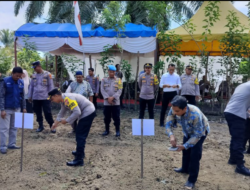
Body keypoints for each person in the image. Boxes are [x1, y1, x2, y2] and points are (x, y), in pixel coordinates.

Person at [166, 95, 209, 189]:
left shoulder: (195, 114)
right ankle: (184, 169)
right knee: (185, 151)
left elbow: (197, 135)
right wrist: (171, 135)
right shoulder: (174, 108)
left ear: (184, 108)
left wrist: (185, 145)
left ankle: (191, 180)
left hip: (200, 132)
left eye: (177, 111)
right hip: (187, 131)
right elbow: (168, 123)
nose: (174, 112)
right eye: (173, 110)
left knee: (194, 155)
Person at [49, 88, 96, 167]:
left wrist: (67, 121)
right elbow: (62, 112)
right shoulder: (63, 99)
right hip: (86, 112)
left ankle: (79, 160)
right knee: (79, 134)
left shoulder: (67, 98)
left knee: (80, 135)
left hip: (88, 112)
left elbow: (77, 112)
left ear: (56, 95)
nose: (52, 101)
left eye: (52, 99)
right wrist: (55, 123)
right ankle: (80, 152)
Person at [224, 81, 250, 176]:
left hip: (229, 111)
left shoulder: (242, 85)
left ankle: (233, 159)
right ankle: (240, 165)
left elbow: (241, 101)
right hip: (237, 114)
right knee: (239, 139)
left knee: (235, 137)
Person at [0, 67, 27, 154]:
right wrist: (2, 109)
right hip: (6, 109)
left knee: (14, 127)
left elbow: (22, 96)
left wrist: (24, 107)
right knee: (4, 128)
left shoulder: (21, 82)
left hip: (17, 108)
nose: (18, 77)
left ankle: (12, 144)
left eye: (20, 76)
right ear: (12, 73)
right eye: (16, 75)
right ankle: (2, 146)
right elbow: (1, 96)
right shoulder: (5, 81)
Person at [28, 61, 55, 133]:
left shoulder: (47, 74)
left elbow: (51, 86)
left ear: (39, 66)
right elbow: (31, 87)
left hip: (45, 97)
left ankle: (52, 126)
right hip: (36, 97)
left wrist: (51, 96)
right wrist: (30, 96)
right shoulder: (33, 76)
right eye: (34, 68)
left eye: (35, 67)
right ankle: (40, 126)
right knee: (38, 112)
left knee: (47, 112)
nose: (34, 69)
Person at [101, 65, 123, 137]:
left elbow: (120, 90)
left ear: (115, 72)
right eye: (110, 72)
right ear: (108, 72)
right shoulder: (104, 80)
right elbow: (102, 90)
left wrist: (113, 97)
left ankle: (117, 130)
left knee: (116, 117)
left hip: (115, 102)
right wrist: (108, 98)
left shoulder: (119, 80)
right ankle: (107, 130)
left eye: (113, 72)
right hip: (107, 103)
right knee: (106, 117)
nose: (111, 73)